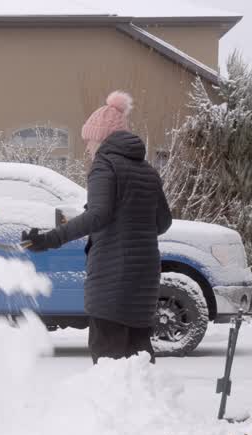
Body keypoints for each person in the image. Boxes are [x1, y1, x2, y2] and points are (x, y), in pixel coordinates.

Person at [23, 91, 172, 363]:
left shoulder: (105, 166)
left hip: (112, 279)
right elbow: (163, 222)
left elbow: (98, 216)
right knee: (138, 361)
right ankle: (145, 406)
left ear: (101, 138)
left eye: (89, 140)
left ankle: (114, 407)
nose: (87, 148)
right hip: (144, 278)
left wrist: (49, 239)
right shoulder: (148, 171)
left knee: (109, 363)